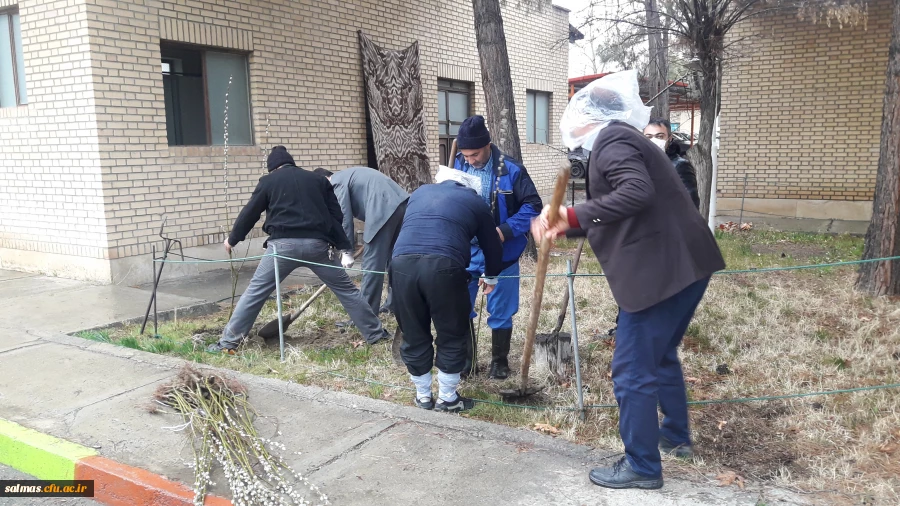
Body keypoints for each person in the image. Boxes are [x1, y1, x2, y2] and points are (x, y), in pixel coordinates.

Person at [537, 72, 725, 490]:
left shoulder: (612, 141)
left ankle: (641, 465)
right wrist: (566, 226)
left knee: (631, 369)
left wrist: (571, 215)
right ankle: (674, 436)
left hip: (661, 273)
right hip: (686, 265)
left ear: (588, 115)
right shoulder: (626, 138)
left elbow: (635, 193)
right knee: (659, 357)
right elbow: (626, 206)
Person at [208, 146, 389, 354]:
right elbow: (336, 216)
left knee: (255, 292)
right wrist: (342, 246)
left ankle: (229, 343)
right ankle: (376, 334)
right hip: (317, 247)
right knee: (347, 290)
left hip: (282, 248)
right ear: (291, 163)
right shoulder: (319, 181)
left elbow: (250, 213)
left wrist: (233, 239)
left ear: (273, 169)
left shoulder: (268, 182)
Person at [390, 168, 503, 413]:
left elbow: (403, 229)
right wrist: (492, 276)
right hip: (444, 266)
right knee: (451, 331)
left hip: (401, 265)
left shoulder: (419, 193)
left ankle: (422, 396)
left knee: (413, 331)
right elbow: (492, 245)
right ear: (469, 188)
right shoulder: (475, 201)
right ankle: (448, 398)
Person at [452, 115, 543, 380]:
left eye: (475, 154)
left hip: (503, 252)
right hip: (466, 251)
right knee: (460, 305)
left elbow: (533, 206)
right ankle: (466, 361)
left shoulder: (511, 169)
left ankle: (499, 361)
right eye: (466, 155)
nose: (471, 160)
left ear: (488, 144)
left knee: (502, 307)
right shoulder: (457, 166)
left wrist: (504, 231)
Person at [313, 167, 409, 314]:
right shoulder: (348, 175)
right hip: (401, 203)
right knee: (394, 261)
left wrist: (347, 251)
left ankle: (366, 315)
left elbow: (344, 217)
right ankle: (394, 305)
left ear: (324, 180)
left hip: (382, 209)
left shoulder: (336, 183)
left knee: (371, 265)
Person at [643, 118, 700, 209]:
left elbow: (690, 204)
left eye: (659, 136)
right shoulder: (641, 164)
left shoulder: (679, 166)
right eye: (648, 137)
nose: (653, 141)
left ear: (669, 138)